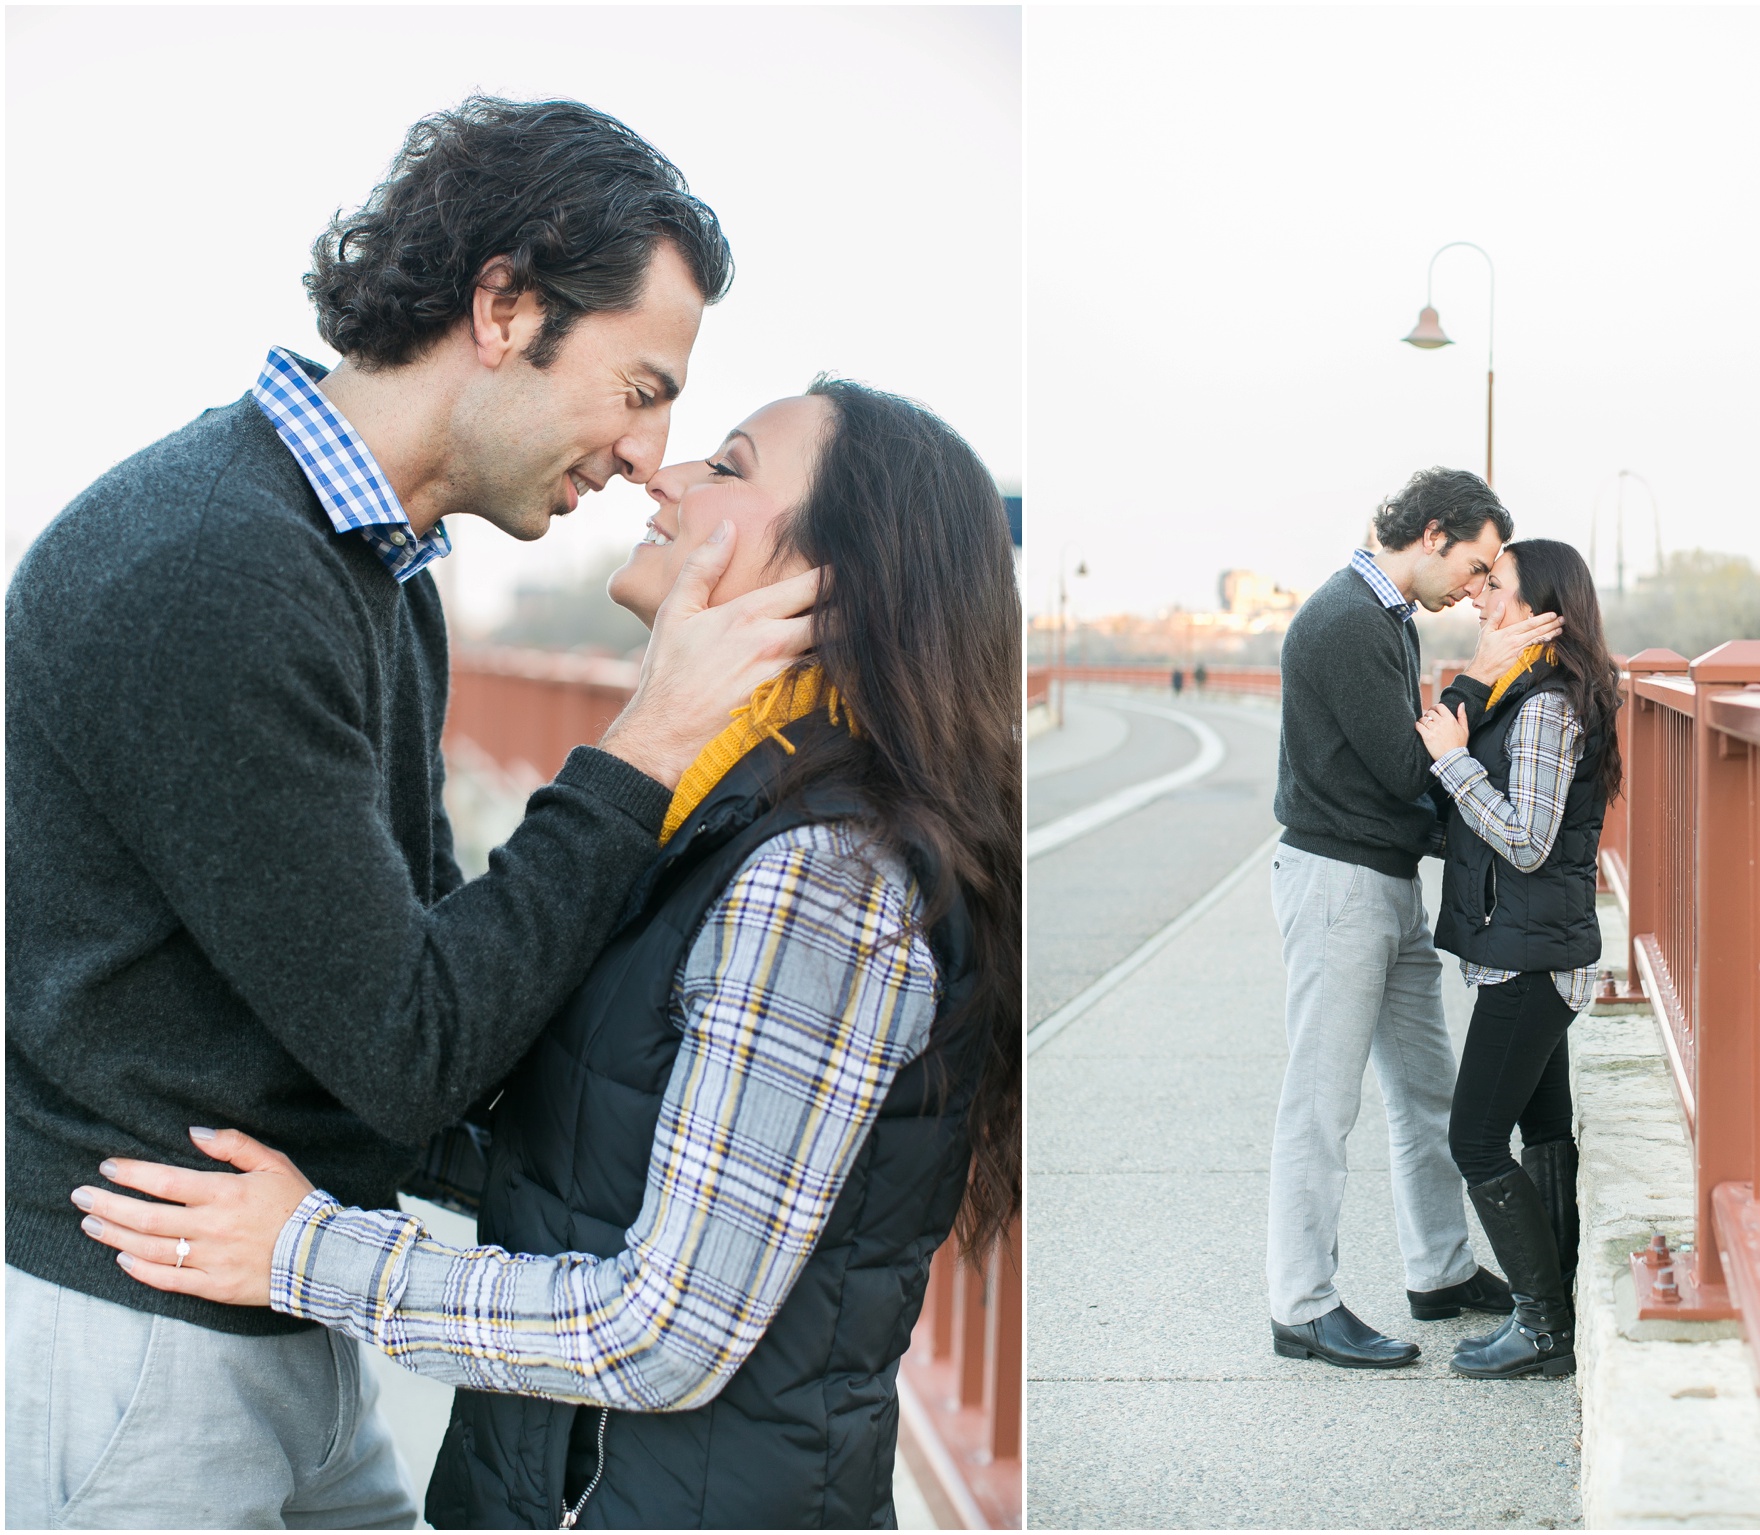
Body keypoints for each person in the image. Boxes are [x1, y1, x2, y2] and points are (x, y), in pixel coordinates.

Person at [5, 98, 821, 1529]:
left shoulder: (374, 572)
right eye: (640, 386)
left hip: (272, 1297)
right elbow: (413, 1045)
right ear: (504, 306)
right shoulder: (218, 567)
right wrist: (650, 738)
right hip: (138, 1332)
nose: (648, 452)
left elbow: (445, 980)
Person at [75, 377, 1024, 1530]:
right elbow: (590, 1159)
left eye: (724, 464)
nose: (661, 475)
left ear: (838, 578)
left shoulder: (822, 877)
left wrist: (302, 1252)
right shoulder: (718, 809)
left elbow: (666, 1330)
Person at [1267, 468, 1563, 1369]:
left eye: (1487, 579)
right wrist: (1482, 674)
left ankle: (1438, 1271)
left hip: (1383, 883)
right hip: (1337, 884)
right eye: (1473, 566)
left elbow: (1408, 780)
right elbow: (1407, 769)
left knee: (1428, 1092)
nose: (1475, 589)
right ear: (1432, 533)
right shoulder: (1347, 619)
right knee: (1322, 1101)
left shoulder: (1386, 618)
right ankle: (1302, 1305)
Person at [1415, 538, 1620, 1380]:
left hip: (1532, 959)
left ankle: (1541, 1326)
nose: (1479, 597)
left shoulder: (1545, 708)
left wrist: (1452, 762)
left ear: (1543, 612)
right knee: (1539, 1126)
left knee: (1474, 1139)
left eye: (1494, 586)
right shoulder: (1530, 693)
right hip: (1535, 948)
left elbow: (1530, 842)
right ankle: (1560, 1296)